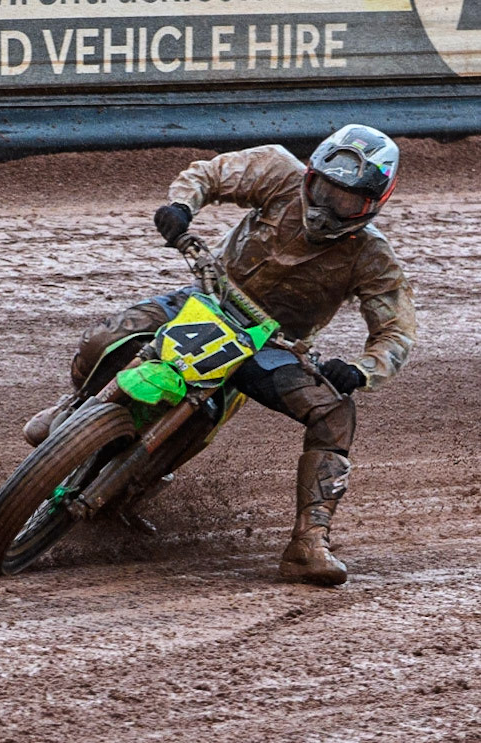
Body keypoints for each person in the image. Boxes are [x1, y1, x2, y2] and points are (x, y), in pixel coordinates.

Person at [23, 124, 416, 586]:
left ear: (371, 205)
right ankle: (73, 408)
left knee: (334, 412)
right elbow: (209, 173)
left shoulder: (372, 257)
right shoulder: (276, 169)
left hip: (269, 345)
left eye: (347, 199)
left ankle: (308, 543)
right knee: (104, 338)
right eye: (325, 188)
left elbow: (396, 330)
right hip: (207, 296)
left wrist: (359, 370)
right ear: (310, 176)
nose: (331, 204)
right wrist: (181, 206)